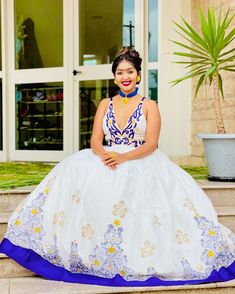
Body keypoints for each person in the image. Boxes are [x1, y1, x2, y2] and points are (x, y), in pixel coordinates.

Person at [0, 48, 234, 287]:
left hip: (140, 159)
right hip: (106, 156)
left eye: (130, 71)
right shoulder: (105, 103)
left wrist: (124, 158)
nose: (125, 76)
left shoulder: (150, 105)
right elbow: (94, 140)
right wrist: (104, 155)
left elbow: (152, 144)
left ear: (138, 75)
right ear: (114, 77)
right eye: (120, 72)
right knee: (70, 175)